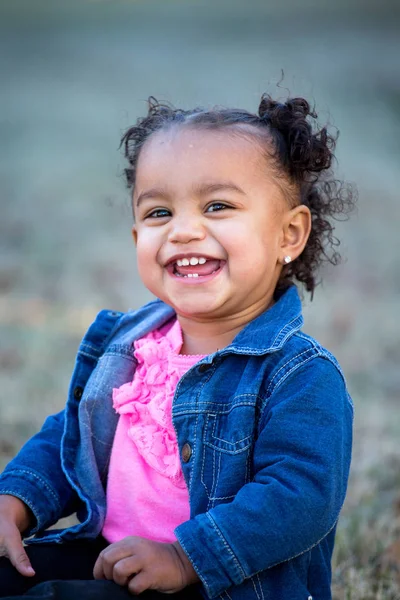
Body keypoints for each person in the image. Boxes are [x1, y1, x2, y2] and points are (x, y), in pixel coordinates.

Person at [0, 94, 355, 600]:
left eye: (218, 206)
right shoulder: (132, 345)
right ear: (136, 234)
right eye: (160, 211)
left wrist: (187, 557)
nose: (184, 230)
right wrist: (15, 498)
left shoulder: (299, 373)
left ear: (289, 234)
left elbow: (299, 498)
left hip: (219, 582)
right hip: (111, 554)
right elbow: (72, 436)